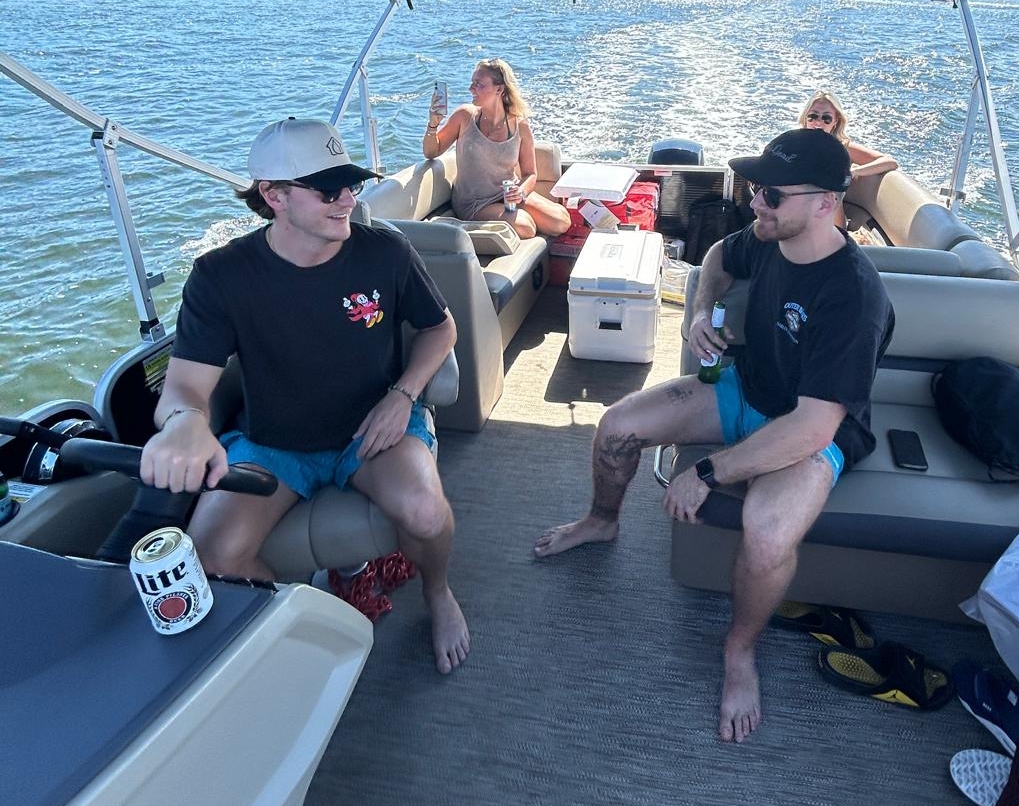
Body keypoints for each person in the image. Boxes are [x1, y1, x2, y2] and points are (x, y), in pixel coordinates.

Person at [534, 129, 894, 744]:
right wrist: (702, 312)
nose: (756, 203)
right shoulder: (766, 238)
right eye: (755, 188)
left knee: (768, 527)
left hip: (813, 430)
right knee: (616, 427)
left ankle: (739, 651)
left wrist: (706, 472)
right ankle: (601, 520)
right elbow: (716, 262)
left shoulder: (854, 296)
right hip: (746, 390)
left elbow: (813, 425)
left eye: (772, 195)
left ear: (824, 204)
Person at [139, 116, 470, 673]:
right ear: (274, 196)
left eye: (353, 184)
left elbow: (441, 328)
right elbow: (184, 390)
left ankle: (438, 594)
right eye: (327, 189)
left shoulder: (384, 253)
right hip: (274, 444)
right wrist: (184, 424)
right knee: (211, 561)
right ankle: (319, 623)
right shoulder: (221, 276)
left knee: (427, 513)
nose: (347, 199)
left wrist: (403, 394)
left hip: (373, 429)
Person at [422, 58, 570, 239]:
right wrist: (433, 124)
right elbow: (431, 152)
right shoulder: (464, 116)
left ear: (499, 89)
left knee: (561, 221)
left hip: (508, 193)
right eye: (472, 83)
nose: (471, 89)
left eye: (478, 84)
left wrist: (521, 192)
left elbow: (530, 173)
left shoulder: (520, 125)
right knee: (526, 227)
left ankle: (516, 217)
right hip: (475, 202)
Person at [799, 89, 898, 182]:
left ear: (835, 121)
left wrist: (855, 172)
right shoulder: (791, 144)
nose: (819, 122)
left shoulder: (842, 148)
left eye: (826, 118)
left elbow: (890, 162)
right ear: (805, 117)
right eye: (813, 116)